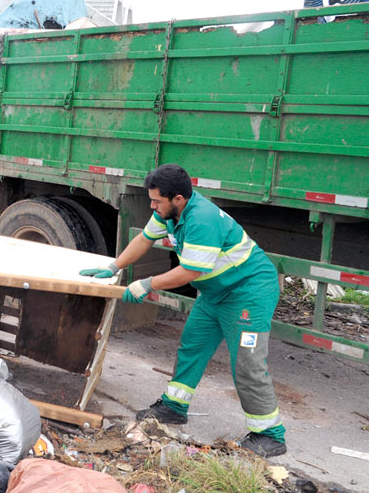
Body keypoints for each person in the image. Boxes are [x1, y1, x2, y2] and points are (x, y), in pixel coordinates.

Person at [80, 163, 286, 457]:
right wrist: (114, 266)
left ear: (179, 199)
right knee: (192, 345)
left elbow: (189, 272)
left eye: (156, 201)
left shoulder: (201, 219)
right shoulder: (169, 212)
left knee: (247, 364)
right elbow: (144, 239)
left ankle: (270, 435)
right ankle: (174, 405)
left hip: (248, 293)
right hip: (216, 290)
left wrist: (147, 283)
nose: (152, 206)